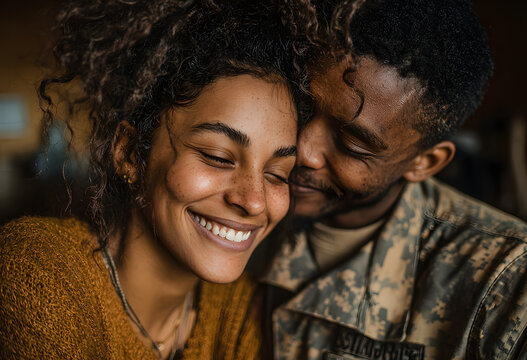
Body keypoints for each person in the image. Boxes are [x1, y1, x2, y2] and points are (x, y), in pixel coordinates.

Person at [0, 0, 312, 359]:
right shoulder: (40, 277)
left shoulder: (239, 311)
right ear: (130, 154)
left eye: (277, 175)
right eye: (218, 157)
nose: (254, 200)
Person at [261, 0, 527, 359]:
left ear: (425, 163)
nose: (303, 150)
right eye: (300, 106)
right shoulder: (228, 201)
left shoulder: (505, 285)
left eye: (352, 144)